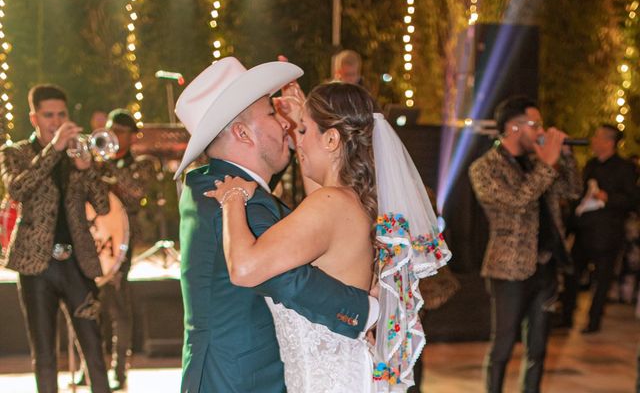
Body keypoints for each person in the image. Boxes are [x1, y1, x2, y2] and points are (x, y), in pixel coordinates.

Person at [208, 81, 451, 391]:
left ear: (332, 139)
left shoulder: (331, 205)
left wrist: (232, 198)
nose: (296, 140)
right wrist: (303, 120)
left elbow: (244, 269)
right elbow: (318, 202)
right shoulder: (346, 202)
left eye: (304, 131)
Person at [174, 57, 379, 393]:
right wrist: (367, 310)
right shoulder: (238, 196)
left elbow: (317, 221)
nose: (285, 123)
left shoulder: (209, 184)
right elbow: (286, 277)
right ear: (242, 132)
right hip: (244, 381)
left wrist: (306, 136)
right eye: (271, 113)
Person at [0, 84, 111, 393]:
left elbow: (102, 205)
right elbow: (18, 189)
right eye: (48, 115)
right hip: (37, 267)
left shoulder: (78, 154)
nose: (56, 121)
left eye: (61, 114)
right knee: (45, 355)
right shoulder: (15, 152)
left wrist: (87, 169)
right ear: (34, 118)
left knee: (94, 349)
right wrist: (53, 151)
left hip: (78, 264)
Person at [469, 96, 581, 393]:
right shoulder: (485, 168)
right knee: (503, 346)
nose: (541, 131)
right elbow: (518, 200)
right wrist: (547, 163)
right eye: (536, 125)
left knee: (539, 348)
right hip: (509, 270)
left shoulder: (536, 163)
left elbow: (572, 190)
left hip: (546, 266)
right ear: (513, 127)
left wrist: (565, 156)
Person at [75, 109, 158, 390]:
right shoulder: (96, 163)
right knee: (87, 304)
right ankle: (89, 366)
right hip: (91, 239)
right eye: (112, 130)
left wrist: (106, 164)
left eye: (121, 131)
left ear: (132, 135)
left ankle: (119, 369)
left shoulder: (143, 163)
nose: (115, 136)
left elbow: (135, 190)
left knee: (119, 307)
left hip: (121, 242)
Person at [562, 124, 639, 333]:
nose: (593, 141)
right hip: (584, 229)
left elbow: (633, 200)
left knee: (602, 280)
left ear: (609, 141)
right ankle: (566, 315)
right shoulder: (591, 165)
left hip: (607, 233)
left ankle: (593, 321)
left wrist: (608, 198)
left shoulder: (624, 168)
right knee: (571, 272)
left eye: (597, 137)